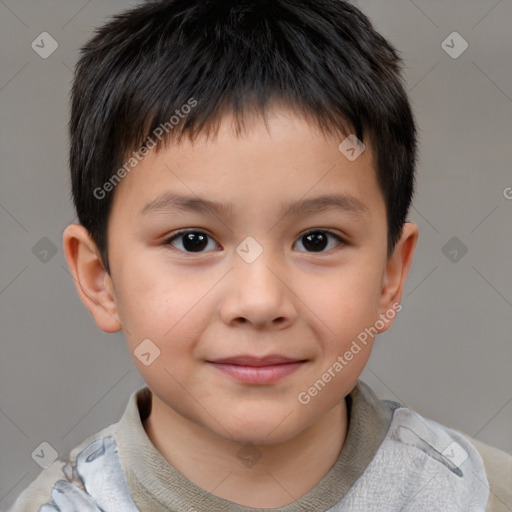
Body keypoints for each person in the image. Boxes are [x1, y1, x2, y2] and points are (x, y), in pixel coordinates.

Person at [8, 0, 511, 510]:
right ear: (101, 280)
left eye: (317, 240)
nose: (260, 300)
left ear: (389, 275)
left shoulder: (478, 493)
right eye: (193, 240)